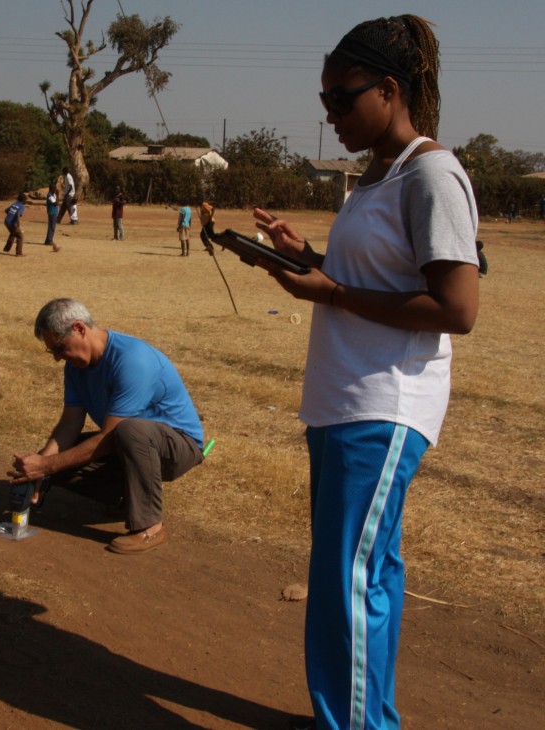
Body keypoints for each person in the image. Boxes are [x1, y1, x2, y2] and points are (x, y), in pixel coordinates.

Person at [252, 15, 479, 730]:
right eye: (325, 104)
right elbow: (367, 277)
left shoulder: (432, 173)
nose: (332, 117)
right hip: (343, 401)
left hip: (383, 406)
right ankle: (367, 717)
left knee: (345, 586)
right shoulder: (377, 177)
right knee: (367, 576)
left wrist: (335, 292)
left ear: (388, 89)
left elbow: (456, 307)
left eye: (342, 99)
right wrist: (306, 258)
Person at [7, 299, 205, 555]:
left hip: (178, 446)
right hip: (128, 444)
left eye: (59, 347)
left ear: (79, 329)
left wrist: (47, 466)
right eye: (52, 352)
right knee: (54, 460)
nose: (57, 358)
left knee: (129, 431)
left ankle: (150, 527)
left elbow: (110, 437)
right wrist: (40, 470)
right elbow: (69, 424)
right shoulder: (75, 367)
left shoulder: (132, 359)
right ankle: (128, 498)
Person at [3, 192, 27, 256]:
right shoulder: (21, 206)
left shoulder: (14, 204)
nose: (26, 201)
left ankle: (6, 248)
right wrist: (18, 224)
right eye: (25, 200)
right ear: (23, 200)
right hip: (13, 224)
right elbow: (18, 214)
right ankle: (19, 253)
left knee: (13, 233)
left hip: (6, 221)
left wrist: (11, 214)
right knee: (20, 236)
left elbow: (6, 210)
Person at [45, 183, 60, 252]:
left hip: (53, 212)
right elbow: (55, 203)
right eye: (54, 188)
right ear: (51, 189)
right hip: (52, 212)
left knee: (51, 226)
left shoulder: (52, 195)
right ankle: (49, 240)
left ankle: (48, 240)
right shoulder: (50, 196)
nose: (55, 190)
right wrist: (57, 195)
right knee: (52, 226)